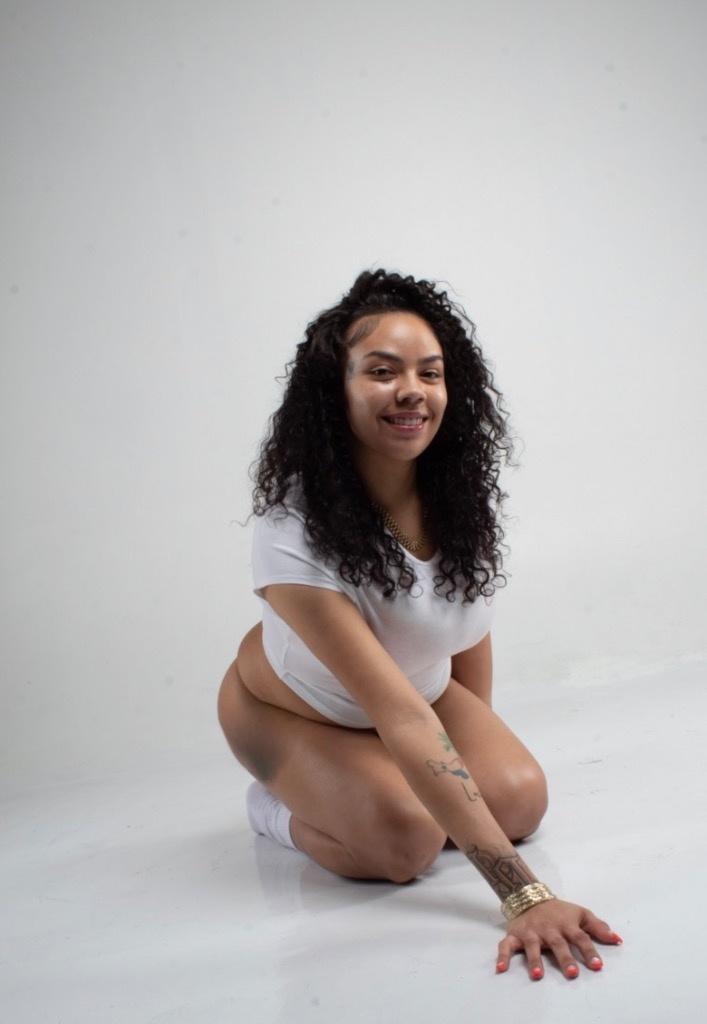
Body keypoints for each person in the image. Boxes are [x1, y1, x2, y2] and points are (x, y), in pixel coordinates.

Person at [217, 268, 623, 981]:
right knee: (402, 844)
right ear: (335, 390)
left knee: (518, 800)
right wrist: (523, 895)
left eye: (429, 373)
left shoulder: (454, 492)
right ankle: (275, 810)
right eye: (382, 371)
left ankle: (385, 791)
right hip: (292, 710)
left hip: (414, 693)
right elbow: (399, 715)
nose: (412, 390)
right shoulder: (291, 528)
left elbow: (467, 628)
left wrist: (468, 772)